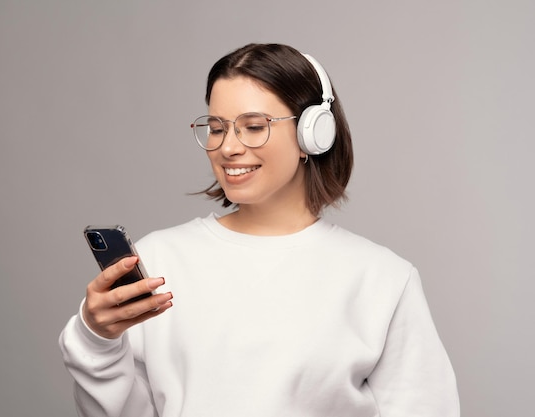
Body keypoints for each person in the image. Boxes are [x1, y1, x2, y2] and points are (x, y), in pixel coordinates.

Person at [59, 43, 460, 417]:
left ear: (313, 135)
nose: (228, 147)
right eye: (216, 128)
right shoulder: (160, 260)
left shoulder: (382, 279)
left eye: (253, 126)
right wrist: (96, 339)